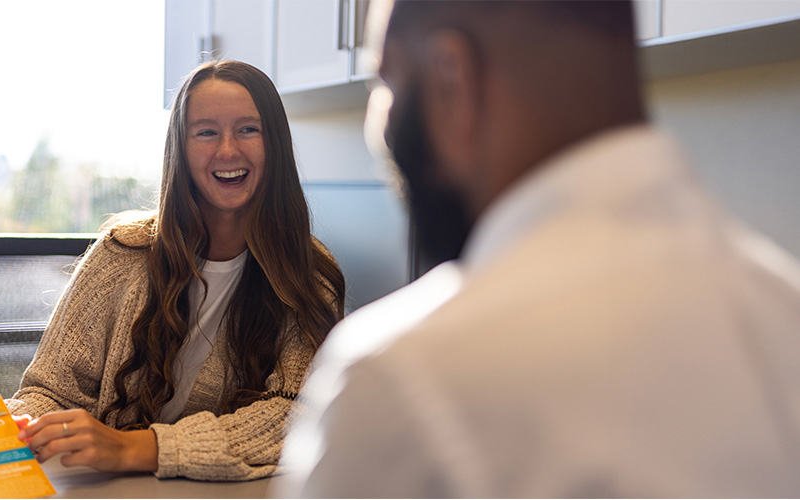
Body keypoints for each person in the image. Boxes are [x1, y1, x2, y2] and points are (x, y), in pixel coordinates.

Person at [277, 0, 800, 497]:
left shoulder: (401, 378)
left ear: (451, 77)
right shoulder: (784, 304)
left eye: (385, 82)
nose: (379, 125)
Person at [0, 60, 345, 481]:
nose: (227, 150)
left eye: (248, 129)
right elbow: (51, 390)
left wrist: (134, 448)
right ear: (180, 149)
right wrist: (13, 428)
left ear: (275, 142)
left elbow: (298, 414)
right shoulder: (120, 254)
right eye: (205, 132)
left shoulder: (308, 275)